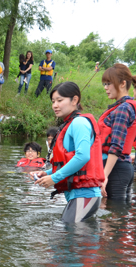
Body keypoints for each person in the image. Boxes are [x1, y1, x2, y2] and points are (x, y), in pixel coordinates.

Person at [33, 82, 105, 223]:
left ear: (75, 100)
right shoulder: (69, 124)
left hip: (85, 195)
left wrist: (54, 178)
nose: (55, 105)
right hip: (78, 195)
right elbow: (69, 162)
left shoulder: (79, 123)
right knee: (67, 238)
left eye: (60, 100)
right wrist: (47, 174)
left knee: (70, 238)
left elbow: (83, 156)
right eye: (53, 101)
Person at [98, 64, 136, 200]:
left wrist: (104, 176)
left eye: (109, 84)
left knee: (115, 216)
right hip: (123, 167)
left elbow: (116, 146)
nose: (105, 88)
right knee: (120, 215)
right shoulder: (125, 106)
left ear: (123, 84)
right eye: (104, 84)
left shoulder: (123, 109)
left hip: (115, 170)